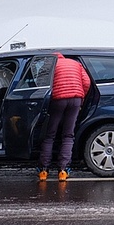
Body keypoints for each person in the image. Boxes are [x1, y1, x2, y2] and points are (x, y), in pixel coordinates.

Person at [38, 53, 91, 182]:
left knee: (50, 135)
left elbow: (40, 83)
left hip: (57, 100)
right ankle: (63, 170)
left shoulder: (49, 65)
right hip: (75, 100)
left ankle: (43, 170)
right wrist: (81, 95)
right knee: (68, 135)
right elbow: (87, 82)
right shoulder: (75, 63)